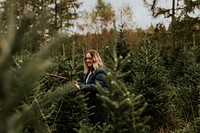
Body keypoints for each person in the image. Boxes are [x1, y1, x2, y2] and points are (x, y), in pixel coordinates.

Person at [74, 49, 109, 125]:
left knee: (100, 127)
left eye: (90, 58)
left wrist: (81, 87)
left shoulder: (100, 71)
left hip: (99, 105)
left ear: (95, 58)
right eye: (86, 59)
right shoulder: (88, 72)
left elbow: (97, 86)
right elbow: (87, 83)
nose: (87, 60)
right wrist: (78, 83)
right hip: (90, 104)